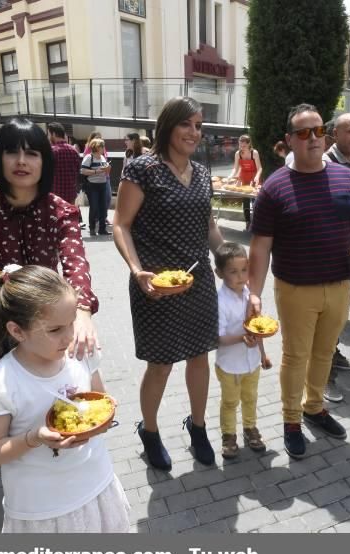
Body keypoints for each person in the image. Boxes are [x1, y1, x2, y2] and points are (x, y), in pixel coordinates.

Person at [248, 103, 350, 459]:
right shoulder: (274, 187)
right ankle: (291, 420)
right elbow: (260, 246)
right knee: (295, 356)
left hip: (339, 285)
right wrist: (254, 295)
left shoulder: (346, 176)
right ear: (289, 140)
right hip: (295, 288)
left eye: (319, 130)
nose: (313, 138)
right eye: (303, 133)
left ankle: (314, 406)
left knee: (324, 353)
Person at [0, 266, 129, 533]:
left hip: (96, 485)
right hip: (43, 509)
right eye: (55, 330)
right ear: (18, 331)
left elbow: (99, 397)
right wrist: (34, 438)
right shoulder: (1, 382)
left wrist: (103, 414)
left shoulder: (81, 354)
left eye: (71, 323)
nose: (68, 337)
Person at [113, 96, 224, 471]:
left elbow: (208, 225)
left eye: (199, 126)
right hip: (155, 284)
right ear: (168, 127)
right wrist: (136, 269)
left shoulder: (203, 172)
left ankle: (197, 426)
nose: (194, 132)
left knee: (199, 356)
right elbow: (121, 224)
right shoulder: (142, 169)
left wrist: (225, 256)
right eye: (186, 124)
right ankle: (150, 430)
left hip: (199, 280)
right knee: (160, 364)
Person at [0, 118, 99, 361]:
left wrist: (83, 311)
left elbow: (75, 262)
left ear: (44, 161)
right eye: (12, 152)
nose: (21, 160)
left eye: (32, 153)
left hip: (45, 326)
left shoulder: (60, 211)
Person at [321, 112, 350, 402]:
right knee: (326, 316)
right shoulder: (323, 164)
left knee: (338, 315)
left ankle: (332, 354)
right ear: (333, 135)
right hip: (326, 256)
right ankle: (323, 377)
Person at [213, 243, 271, 459]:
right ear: (219, 273)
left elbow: (258, 326)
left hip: (252, 362)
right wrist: (241, 338)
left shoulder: (250, 294)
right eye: (233, 272)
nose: (240, 276)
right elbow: (217, 338)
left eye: (244, 270)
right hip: (229, 366)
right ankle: (228, 435)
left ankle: (250, 428)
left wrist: (263, 354)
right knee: (229, 402)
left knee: (250, 398)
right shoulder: (219, 301)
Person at [228, 134, 263, 231]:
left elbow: (260, 168)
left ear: (249, 144)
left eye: (243, 146)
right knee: (245, 200)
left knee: (255, 201)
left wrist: (257, 176)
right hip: (243, 177)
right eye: (240, 145)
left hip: (254, 177)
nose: (241, 148)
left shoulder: (254, 153)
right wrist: (230, 176)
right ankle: (247, 222)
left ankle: (256, 223)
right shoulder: (237, 154)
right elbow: (235, 168)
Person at [80, 138, 111, 236]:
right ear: (97, 147)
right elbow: (83, 171)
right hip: (92, 185)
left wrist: (108, 169)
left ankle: (102, 229)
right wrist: (97, 171)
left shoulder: (102, 157)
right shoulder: (89, 157)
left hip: (103, 184)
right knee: (94, 207)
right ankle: (92, 228)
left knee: (103, 207)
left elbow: (106, 172)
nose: (103, 148)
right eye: (102, 146)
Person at [47, 122, 82, 205]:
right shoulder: (74, 151)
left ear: (54, 134)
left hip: (55, 196)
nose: (48, 137)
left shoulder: (51, 151)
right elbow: (78, 172)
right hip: (71, 195)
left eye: (48, 134)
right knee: (70, 217)